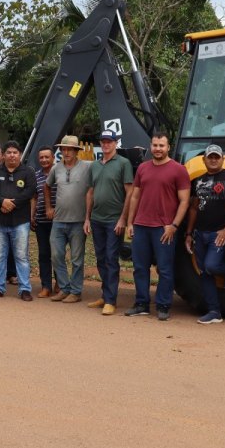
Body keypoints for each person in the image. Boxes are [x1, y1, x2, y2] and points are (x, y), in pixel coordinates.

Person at [124, 133, 190, 320]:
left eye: (162, 145)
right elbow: (135, 196)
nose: (158, 149)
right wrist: (130, 222)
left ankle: (163, 305)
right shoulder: (143, 168)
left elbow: (184, 201)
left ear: (168, 147)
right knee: (139, 267)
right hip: (141, 226)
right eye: (155, 145)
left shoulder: (178, 170)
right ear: (150, 146)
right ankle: (142, 303)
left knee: (165, 268)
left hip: (164, 228)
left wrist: (174, 226)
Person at [184, 144, 225, 324]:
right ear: (204, 159)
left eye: (216, 157)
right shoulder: (198, 181)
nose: (213, 160)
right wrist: (188, 233)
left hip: (218, 234)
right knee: (204, 272)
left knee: (211, 266)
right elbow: (194, 208)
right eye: (210, 157)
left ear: (222, 159)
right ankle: (214, 311)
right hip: (199, 233)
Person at [84, 129, 134, 315]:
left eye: (109, 141)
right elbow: (90, 192)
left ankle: (111, 300)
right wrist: (87, 218)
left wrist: (123, 218)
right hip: (96, 219)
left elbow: (130, 192)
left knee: (112, 259)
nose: (106, 145)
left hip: (114, 220)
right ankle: (105, 295)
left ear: (115, 143)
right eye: (103, 141)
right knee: (101, 258)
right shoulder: (95, 166)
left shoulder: (123, 163)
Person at [0, 141, 37, 300]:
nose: (12, 155)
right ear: (4, 155)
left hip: (20, 221)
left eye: (15, 152)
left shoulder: (28, 171)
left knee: (21, 256)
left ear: (20, 155)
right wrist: (2, 202)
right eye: (9, 152)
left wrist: (12, 203)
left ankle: (25, 289)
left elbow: (30, 191)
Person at [46, 135, 92, 303]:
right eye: (63, 149)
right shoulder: (56, 168)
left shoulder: (87, 167)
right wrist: (48, 207)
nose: (66, 152)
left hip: (79, 221)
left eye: (69, 149)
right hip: (58, 220)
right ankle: (64, 288)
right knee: (56, 255)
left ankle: (76, 291)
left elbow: (92, 189)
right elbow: (47, 185)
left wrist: (88, 217)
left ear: (76, 151)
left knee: (77, 259)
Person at [31, 146, 57, 297]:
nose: (44, 160)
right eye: (41, 157)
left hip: (58, 220)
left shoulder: (59, 172)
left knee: (57, 254)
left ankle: (60, 284)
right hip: (41, 220)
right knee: (43, 254)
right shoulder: (36, 176)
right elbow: (34, 197)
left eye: (47, 157)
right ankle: (46, 286)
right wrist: (32, 215)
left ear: (53, 158)